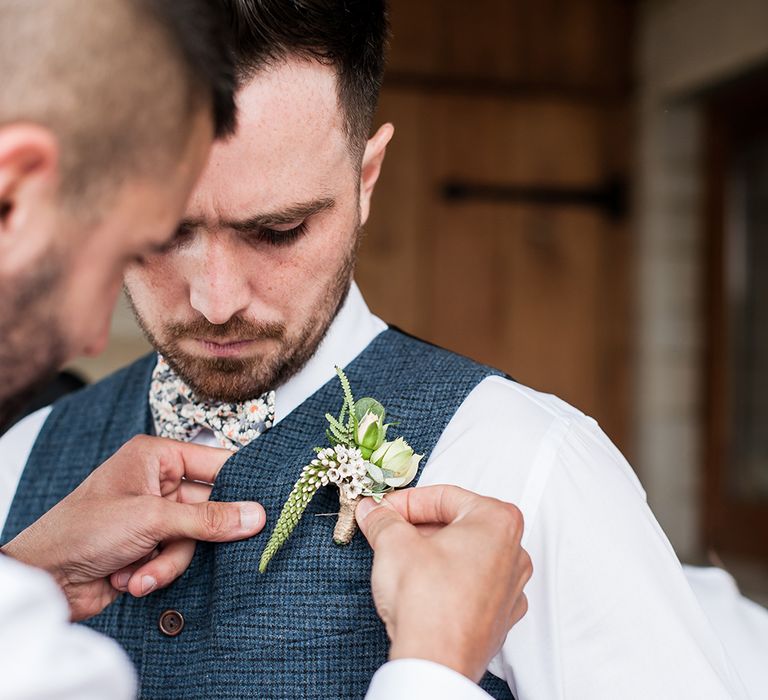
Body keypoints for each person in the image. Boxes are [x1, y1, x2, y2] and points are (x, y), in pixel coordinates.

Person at [0, 1, 750, 698]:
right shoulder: (21, 461)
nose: (216, 298)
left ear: (366, 179)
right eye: (165, 231)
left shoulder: (530, 463)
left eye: (278, 230)